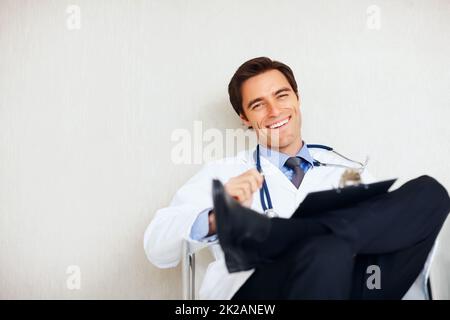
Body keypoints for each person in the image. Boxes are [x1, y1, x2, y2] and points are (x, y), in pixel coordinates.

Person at [144, 57, 450, 299]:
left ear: (297, 98)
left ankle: (306, 234)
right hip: (263, 289)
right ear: (244, 118)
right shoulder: (223, 173)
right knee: (324, 250)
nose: (275, 110)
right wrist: (217, 216)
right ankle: (315, 239)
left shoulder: (349, 170)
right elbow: (158, 247)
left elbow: (397, 235)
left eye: (281, 95)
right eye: (258, 104)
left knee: (430, 193)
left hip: (351, 283)